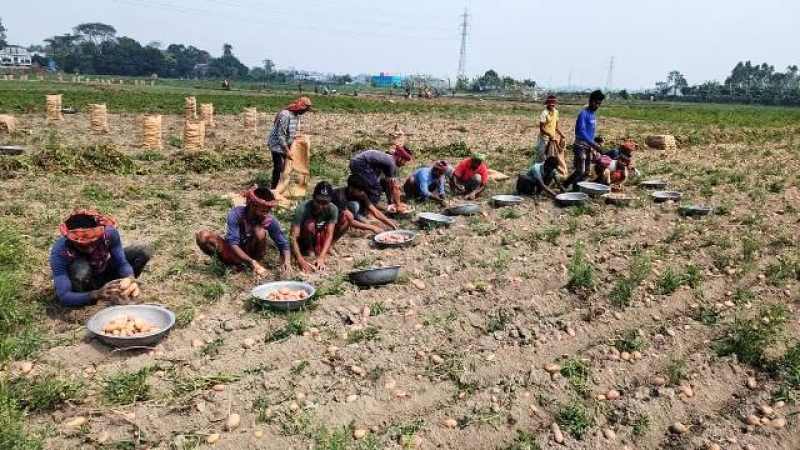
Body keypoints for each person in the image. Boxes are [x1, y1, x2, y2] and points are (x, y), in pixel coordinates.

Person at [50, 209, 153, 307]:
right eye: (83, 246)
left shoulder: (108, 234)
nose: (90, 249)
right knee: (81, 268)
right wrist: (97, 294)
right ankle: (84, 299)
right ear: (72, 241)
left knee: (143, 251)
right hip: (84, 285)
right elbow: (63, 296)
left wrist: (129, 276)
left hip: (101, 273)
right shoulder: (60, 252)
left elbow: (122, 263)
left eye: (93, 243)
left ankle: (120, 292)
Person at [196, 186, 291, 276]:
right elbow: (233, 243)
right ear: (253, 206)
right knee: (203, 236)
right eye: (263, 211)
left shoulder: (268, 220)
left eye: (268, 211)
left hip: (252, 253)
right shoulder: (236, 214)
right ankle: (229, 263)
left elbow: (283, 243)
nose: (266, 214)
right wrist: (250, 261)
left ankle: (254, 264)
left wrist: (287, 262)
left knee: (260, 231)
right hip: (234, 251)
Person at [290, 182, 339, 273]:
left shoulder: (333, 209)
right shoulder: (302, 208)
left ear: (330, 200)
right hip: (305, 236)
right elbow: (293, 237)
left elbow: (329, 235)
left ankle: (324, 250)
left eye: (325, 203)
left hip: (320, 234)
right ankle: (309, 249)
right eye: (318, 201)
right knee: (310, 225)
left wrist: (321, 257)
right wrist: (300, 260)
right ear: (313, 197)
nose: (320, 206)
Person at [332, 174, 397, 240]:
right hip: (333, 215)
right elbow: (348, 219)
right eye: (360, 191)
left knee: (365, 222)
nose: (362, 193)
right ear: (351, 188)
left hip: (347, 212)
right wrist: (373, 228)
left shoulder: (361, 193)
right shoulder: (340, 197)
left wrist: (392, 225)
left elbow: (375, 211)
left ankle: (355, 220)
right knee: (354, 206)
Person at [348, 145, 413, 212]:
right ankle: (369, 210)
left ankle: (387, 205)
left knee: (383, 183)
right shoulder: (391, 163)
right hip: (360, 164)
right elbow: (394, 187)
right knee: (376, 188)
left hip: (360, 163)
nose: (404, 164)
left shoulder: (389, 160)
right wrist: (399, 205)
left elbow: (390, 185)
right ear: (400, 158)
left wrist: (395, 203)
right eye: (404, 161)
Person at [564, 90, 606, 190]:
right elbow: (581, 132)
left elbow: (589, 132)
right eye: (595, 103)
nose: (597, 106)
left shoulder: (592, 115)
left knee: (586, 172)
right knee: (580, 170)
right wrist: (593, 144)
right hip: (580, 146)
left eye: (599, 104)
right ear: (590, 100)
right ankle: (564, 184)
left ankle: (576, 189)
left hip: (588, 147)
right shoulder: (583, 114)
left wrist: (595, 141)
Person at [267, 97, 312, 189]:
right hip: (276, 143)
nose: (305, 112)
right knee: (278, 166)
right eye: (305, 109)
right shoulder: (285, 115)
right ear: (300, 107)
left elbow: (291, 131)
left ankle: (282, 186)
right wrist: (286, 150)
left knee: (286, 166)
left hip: (285, 143)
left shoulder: (297, 116)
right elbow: (280, 134)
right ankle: (273, 188)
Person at [536, 95, 566, 162]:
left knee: (550, 156)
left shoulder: (556, 112)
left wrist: (561, 134)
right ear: (547, 104)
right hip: (544, 139)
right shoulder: (544, 113)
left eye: (553, 104)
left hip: (552, 139)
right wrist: (549, 134)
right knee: (541, 156)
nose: (552, 105)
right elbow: (541, 128)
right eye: (550, 104)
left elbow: (556, 127)